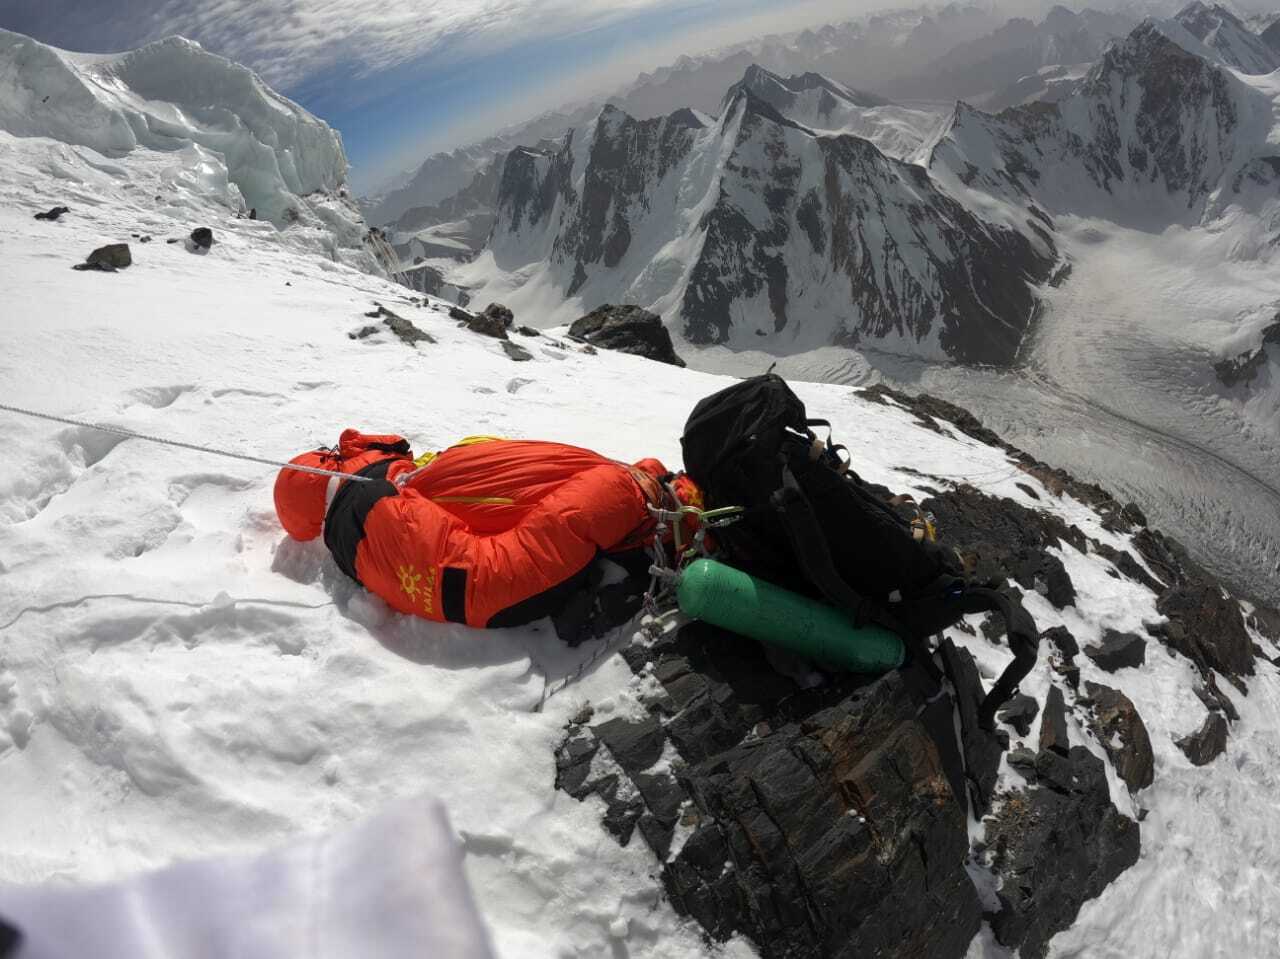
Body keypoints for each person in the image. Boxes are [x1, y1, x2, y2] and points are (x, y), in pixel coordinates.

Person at [274, 429, 700, 638]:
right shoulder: (366, 515)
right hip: (639, 513)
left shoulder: (402, 481)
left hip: (644, 503)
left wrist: (638, 481)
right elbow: (479, 580)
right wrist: (625, 491)